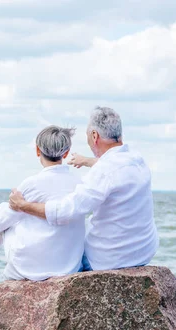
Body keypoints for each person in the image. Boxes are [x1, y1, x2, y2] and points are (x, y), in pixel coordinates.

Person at [9, 107, 158, 271]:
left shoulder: (104, 171)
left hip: (109, 260)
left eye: (87, 135)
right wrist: (86, 161)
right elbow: (114, 170)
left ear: (94, 136)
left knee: (67, 242)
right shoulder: (137, 160)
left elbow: (65, 211)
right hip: (144, 251)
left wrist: (22, 205)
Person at [0, 126, 85, 292]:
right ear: (66, 153)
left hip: (31, 269)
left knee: (2, 211)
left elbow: (1, 221)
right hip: (68, 266)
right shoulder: (79, 182)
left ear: (38, 150)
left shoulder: (32, 184)